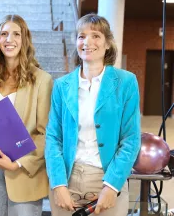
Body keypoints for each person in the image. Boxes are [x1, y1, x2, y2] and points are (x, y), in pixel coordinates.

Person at [45, 13, 141, 216]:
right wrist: (58, 184)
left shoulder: (126, 82)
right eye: (81, 36)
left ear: (107, 44)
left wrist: (112, 186)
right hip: (67, 180)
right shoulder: (62, 86)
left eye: (95, 36)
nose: (87, 42)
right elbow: (53, 138)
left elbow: (131, 139)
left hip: (107, 179)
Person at [0, 15, 53, 216]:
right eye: (4, 34)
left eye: (16, 34)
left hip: (24, 168)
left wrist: (17, 163)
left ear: (24, 39)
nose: (9, 39)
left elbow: (46, 133)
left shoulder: (42, 80)